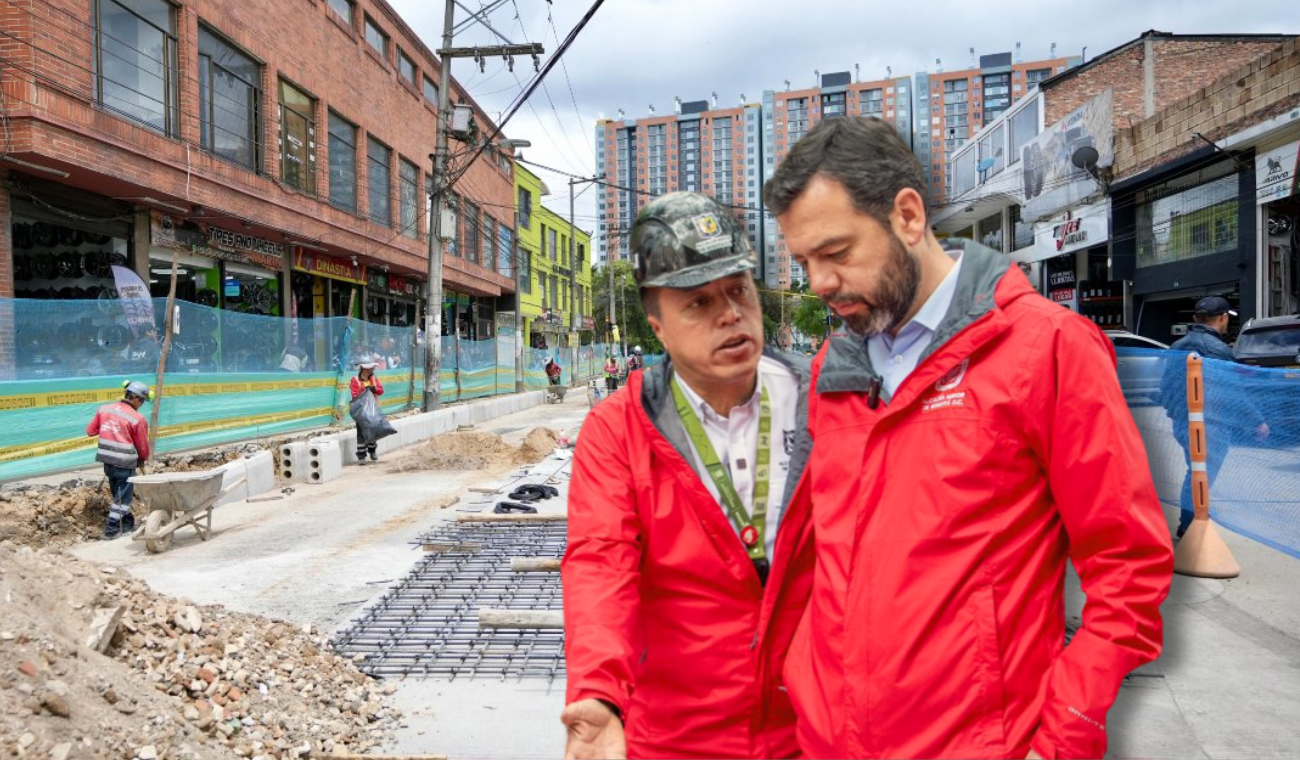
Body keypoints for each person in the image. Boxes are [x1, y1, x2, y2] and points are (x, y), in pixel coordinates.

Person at [764, 115, 1173, 760]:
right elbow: (816, 557)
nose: (819, 283)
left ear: (906, 215)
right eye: (804, 261)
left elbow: (1128, 564)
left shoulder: (1047, 349)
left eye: (836, 253)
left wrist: (1067, 728)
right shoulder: (832, 367)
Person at [562, 192, 816, 760]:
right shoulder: (618, 431)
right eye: (698, 302)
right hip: (678, 739)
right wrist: (599, 694)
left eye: (739, 290)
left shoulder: (828, 401)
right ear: (657, 328)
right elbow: (601, 563)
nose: (729, 314)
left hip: (815, 732)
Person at [1161, 296, 1269, 538]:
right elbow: (1233, 391)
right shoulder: (1218, 350)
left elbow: (1165, 387)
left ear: (1195, 319)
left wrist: (1175, 414)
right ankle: (1191, 526)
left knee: (1196, 471)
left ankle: (1190, 523)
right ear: (1222, 318)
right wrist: (1256, 421)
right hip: (1211, 424)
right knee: (1201, 475)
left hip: (1183, 422)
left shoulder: (1176, 347)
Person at [86, 380, 152, 540]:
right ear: (136, 398)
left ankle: (127, 524)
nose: (141, 405)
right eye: (142, 401)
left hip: (107, 461)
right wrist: (143, 459)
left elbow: (90, 431)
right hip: (124, 463)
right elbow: (142, 446)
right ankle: (111, 530)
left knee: (119, 496)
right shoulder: (137, 418)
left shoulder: (104, 409)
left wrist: (109, 427)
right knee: (124, 499)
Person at [349, 361, 384, 461]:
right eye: (371, 368)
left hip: (373, 409)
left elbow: (381, 391)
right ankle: (361, 456)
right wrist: (365, 390)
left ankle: (372, 451)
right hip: (360, 410)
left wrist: (374, 389)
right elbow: (354, 395)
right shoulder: (355, 380)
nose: (373, 370)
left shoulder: (373, 378)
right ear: (365, 369)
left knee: (373, 430)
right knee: (361, 433)